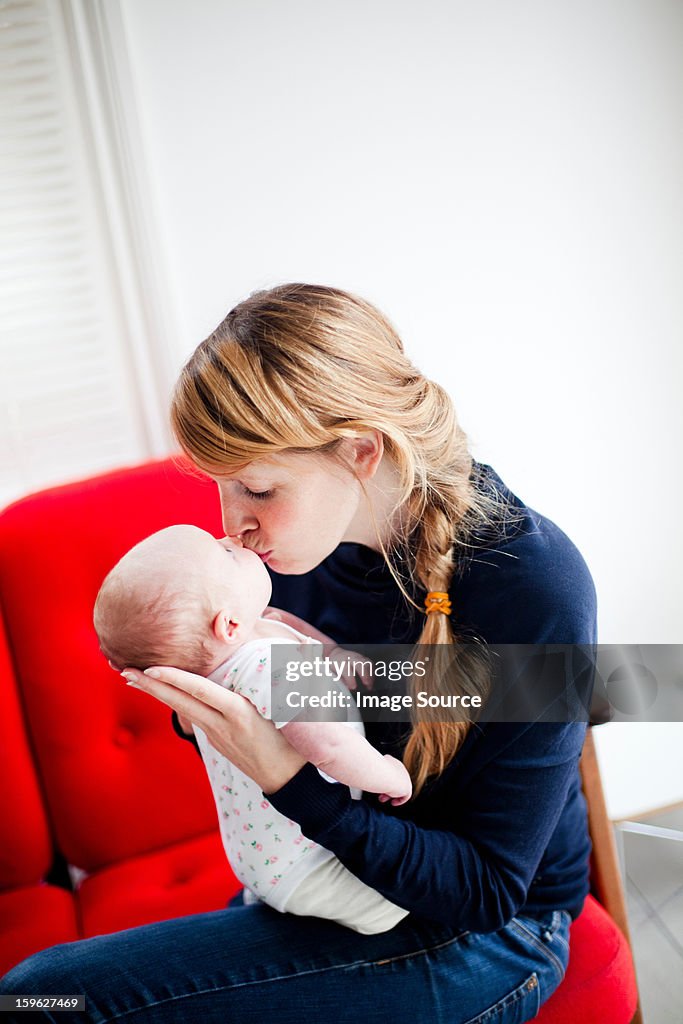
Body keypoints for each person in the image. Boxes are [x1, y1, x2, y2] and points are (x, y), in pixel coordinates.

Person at [0, 283, 597, 1024]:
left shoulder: (531, 588)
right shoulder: (293, 551)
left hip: (487, 936)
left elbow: (485, 891)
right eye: (223, 488)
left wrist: (282, 773)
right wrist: (205, 698)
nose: (232, 527)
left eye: (255, 487)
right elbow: (312, 713)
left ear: (359, 452)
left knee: (41, 998)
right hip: (332, 881)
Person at [92, 523, 411, 934]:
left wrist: (336, 656)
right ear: (228, 626)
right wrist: (387, 773)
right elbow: (329, 745)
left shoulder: (214, 676)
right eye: (222, 553)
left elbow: (288, 632)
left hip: (265, 860)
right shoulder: (267, 667)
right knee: (396, 910)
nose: (232, 538)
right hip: (309, 864)